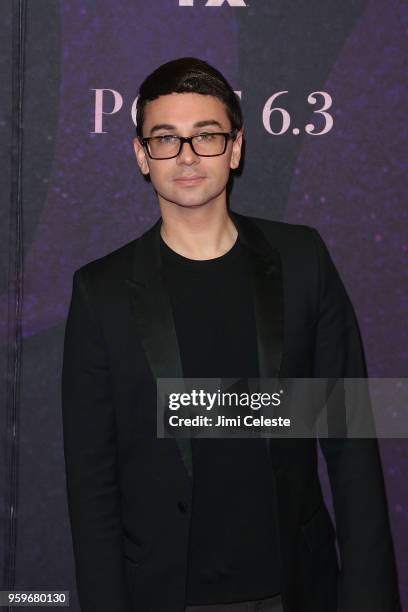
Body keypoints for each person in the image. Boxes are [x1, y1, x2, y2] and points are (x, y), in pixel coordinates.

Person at [61, 57, 402, 612]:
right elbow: (91, 480)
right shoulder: (100, 292)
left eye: (207, 136)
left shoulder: (303, 261)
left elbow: (353, 444)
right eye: (166, 139)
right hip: (166, 594)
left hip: (295, 587)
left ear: (236, 148)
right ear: (142, 155)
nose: (188, 156)